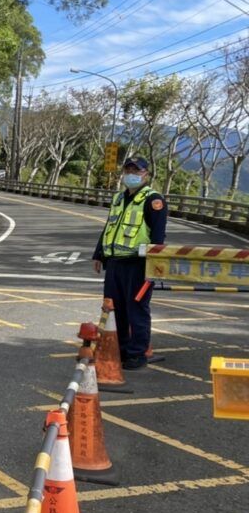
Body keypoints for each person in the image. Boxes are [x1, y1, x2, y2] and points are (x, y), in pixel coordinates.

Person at [92, 156, 167, 370]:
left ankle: (137, 353)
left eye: (137, 171)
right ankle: (122, 349)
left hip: (138, 265)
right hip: (115, 263)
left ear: (146, 174)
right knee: (116, 309)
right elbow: (109, 228)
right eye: (128, 170)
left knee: (136, 309)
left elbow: (158, 238)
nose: (131, 174)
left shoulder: (153, 201)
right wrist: (99, 254)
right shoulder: (118, 198)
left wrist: (153, 267)